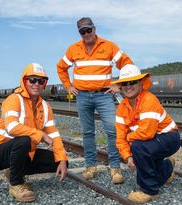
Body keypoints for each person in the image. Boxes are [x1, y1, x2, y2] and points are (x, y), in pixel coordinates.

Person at [56, 17, 133, 184]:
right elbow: (61, 67)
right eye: (82, 31)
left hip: (104, 95)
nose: (86, 34)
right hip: (82, 96)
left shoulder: (109, 46)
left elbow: (127, 64)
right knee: (87, 132)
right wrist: (68, 86)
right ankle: (91, 166)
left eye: (88, 30)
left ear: (94, 29)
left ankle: (115, 167)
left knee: (113, 130)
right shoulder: (73, 49)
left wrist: (118, 86)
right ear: (79, 33)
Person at [0, 63, 69, 202]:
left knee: (59, 160)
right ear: (24, 81)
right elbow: (12, 127)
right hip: (0, 153)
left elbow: (54, 135)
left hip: (24, 152)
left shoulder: (45, 107)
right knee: (24, 140)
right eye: (32, 80)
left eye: (40, 81)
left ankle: (14, 172)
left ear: (44, 84)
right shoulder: (13, 99)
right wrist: (40, 135)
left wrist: (62, 159)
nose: (36, 84)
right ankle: (16, 185)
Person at [111, 64, 182, 203]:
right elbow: (119, 137)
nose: (128, 86)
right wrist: (128, 156)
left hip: (169, 138)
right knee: (142, 156)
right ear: (120, 86)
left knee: (139, 147)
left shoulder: (149, 100)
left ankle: (149, 191)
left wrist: (129, 141)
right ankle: (167, 168)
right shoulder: (121, 109)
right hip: (152, 141)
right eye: (124, 83)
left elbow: (146, 133)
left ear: (141, 83)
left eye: (132, 82)